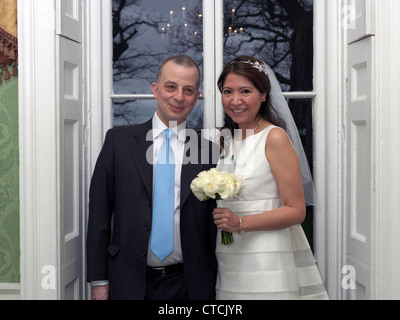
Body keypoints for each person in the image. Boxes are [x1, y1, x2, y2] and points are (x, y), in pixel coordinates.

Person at [86, 55, 219, 300]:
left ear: (196, 97)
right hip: (127, 281)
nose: (179, 96)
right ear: (155, 90)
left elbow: (212, 226)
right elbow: (99, 215)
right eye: (171, 87)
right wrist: (99, 279)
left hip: (190, 284)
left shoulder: (208, 151)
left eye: (188, 90)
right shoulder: (119, 142)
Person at [213, 56, 329, 300]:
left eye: (246, 91)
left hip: (267, 260)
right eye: (227, 91)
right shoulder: (226, 139)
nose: (235, 101)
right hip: (230, 259)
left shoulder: (274, 137)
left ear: (264, 94)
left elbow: (296, 211)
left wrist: (240, 223)